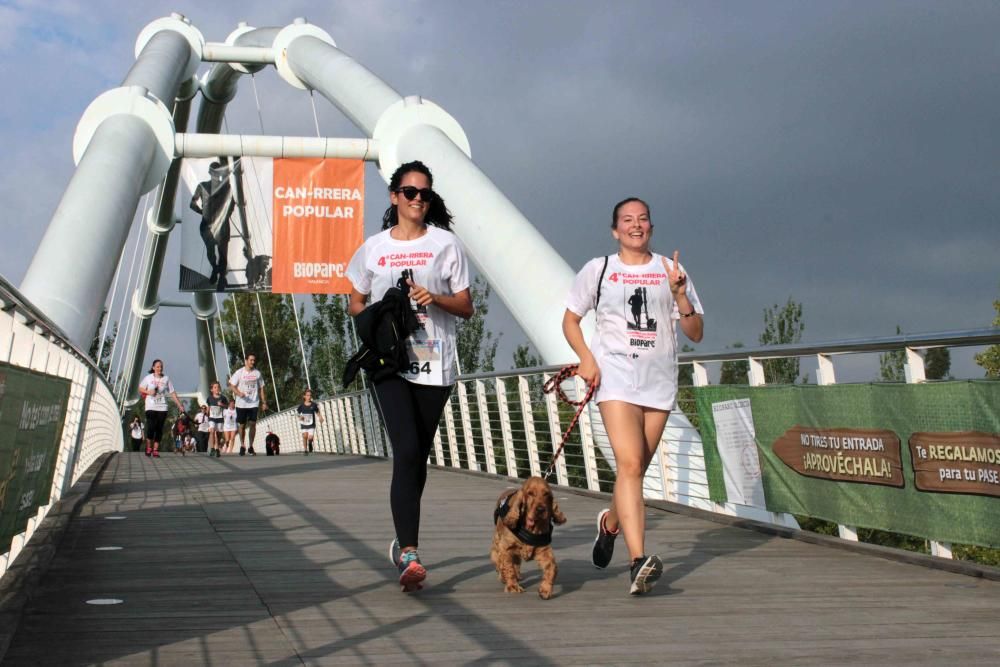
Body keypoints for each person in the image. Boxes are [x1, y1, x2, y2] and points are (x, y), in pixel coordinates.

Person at [562, 197, 704, 596]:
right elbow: (570, 320)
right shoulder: (599, 269)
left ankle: (610, 523)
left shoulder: (671, 271)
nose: (636, 225)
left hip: (658, 383)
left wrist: (679, 295)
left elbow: (695, 333)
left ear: (651, 228)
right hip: (616, 380)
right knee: (629, 461)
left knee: (634, 471)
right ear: (615, 230)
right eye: (627, 220)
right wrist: (586, 358)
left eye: (643, 219)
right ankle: (638, 561)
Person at [346, 160, 473, 592]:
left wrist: (433, 298)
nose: (418, 199)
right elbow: (355, 302)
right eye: (410, 192)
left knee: (417, 455)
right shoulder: (374, 248)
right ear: (394, 196)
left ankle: (401, 541)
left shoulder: (446, 245)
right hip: (390, 364)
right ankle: (412, 554)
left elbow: (466, 306)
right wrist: (381, 320)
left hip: (435, 361)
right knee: (404, 449)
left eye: (425, 193)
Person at [190, 160, 235, 290]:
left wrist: (202, 212)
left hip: (207, 225)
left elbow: (192, 205)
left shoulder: (202, 186)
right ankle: (220, 275)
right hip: (220, 225)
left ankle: (216, 270)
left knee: (212, 252)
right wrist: (225, 216)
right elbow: (232, 205)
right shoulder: (226, 188)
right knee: (222, 254)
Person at [137, 359, 184, 458]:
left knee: (159, 428)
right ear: (153, 368)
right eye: (158, 366)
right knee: (151, 427)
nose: (160, 368)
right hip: (150, 405)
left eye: (161, 366)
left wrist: (179, 405)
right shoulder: (148, 378)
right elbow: (140, 388)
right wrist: (148, 392)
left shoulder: (166, 379)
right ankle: (148, 447)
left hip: (162, 406)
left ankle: (155, 450)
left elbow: (172, 393)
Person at [229, 353, 268, 456]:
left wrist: (264, 402)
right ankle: (242, 445)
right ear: (246, 361)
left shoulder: (257, 373)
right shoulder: (239, 373)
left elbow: (261, 388)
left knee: (253, 424)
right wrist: (238, 393)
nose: (252, 362)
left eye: (254, 360)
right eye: (251, 360)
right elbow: (232, 385)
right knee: (241, 426)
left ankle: (251, 446)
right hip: (241, 404)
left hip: (254, 403)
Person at [297, 389, 323, 455]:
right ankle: (305, 450)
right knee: (305, 436)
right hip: (304, 423)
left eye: (310, 395)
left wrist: (320, 417)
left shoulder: (314, 405)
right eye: (307, 395)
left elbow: (317, 411)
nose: (309, 397)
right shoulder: (301, 405)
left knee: (310, 438)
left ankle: (310, 443)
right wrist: (300, 417)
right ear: (304, 396)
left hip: (311, 424)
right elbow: (298, 413)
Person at [206, 382, 227, 458]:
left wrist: (222, 405)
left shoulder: (223, 398)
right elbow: (208, 406)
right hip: (212, 418)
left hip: (220, 418)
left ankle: (217, 448)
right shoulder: (209, 398)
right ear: (212, 390)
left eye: (218, 387)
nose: (217, 388)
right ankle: (212, 449)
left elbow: (226, 406)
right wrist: (207, 413)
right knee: (212, 431)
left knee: (218, 434)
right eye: (215, 387)